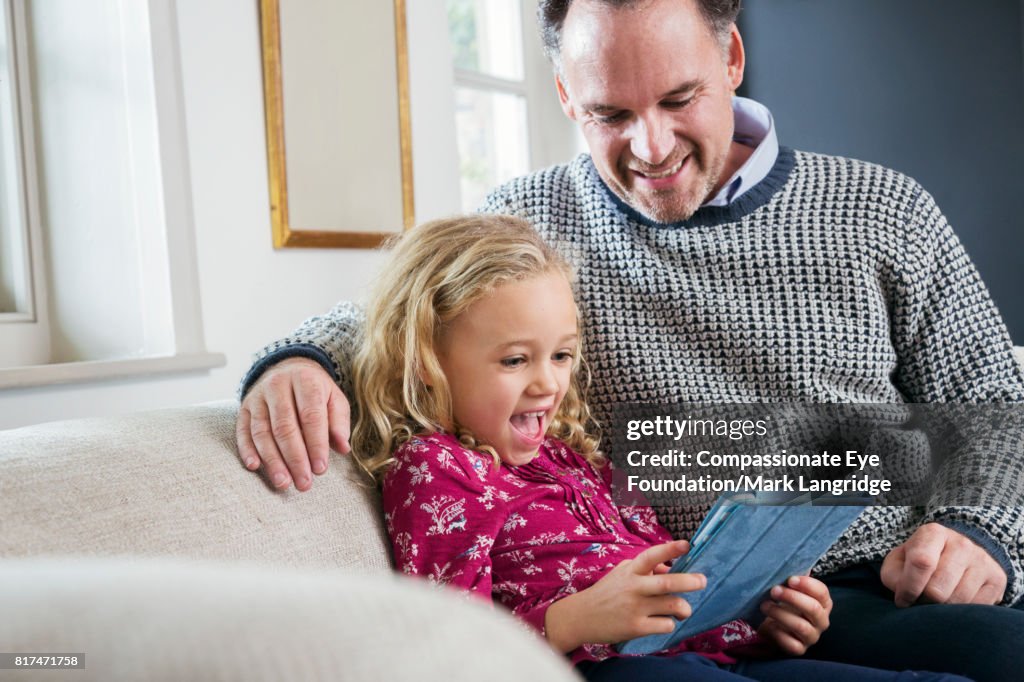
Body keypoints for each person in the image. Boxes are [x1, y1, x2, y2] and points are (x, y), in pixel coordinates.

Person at [235, 0, 1024, 679]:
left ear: (732, 57)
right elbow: (411, 303)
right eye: (610, 114)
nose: (651, 148)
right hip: (656, 615)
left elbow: (995, 401)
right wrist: (302, 358)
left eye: (680, 99)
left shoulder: (884, 210)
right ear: (565, 96)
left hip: (866, 587)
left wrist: (977, 531)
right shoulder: (533, 219)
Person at [351, 212, 969, 681]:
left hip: (711, 655)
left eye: (562, 355)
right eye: (516, 360)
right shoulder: (438, 467)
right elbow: (448, 646)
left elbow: (673, 583)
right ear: (427, 362)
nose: (548, 383)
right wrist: (578, 619)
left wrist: (770, 619)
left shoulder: (574, 459)